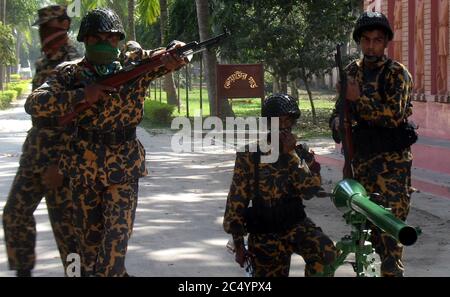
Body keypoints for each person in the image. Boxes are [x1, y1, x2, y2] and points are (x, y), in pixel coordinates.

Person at [25, 8, 187, 277]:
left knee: (113, 250)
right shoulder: (70, 74)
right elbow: (34, 103)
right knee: (89, 255)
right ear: (85, 40)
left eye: (111, 38)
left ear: (119, 40)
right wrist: (80, 96)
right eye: (98, 38)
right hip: (83, 171)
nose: (105, 43)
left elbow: (166, 56)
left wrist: (178, 52)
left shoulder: (134, 67)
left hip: (123, 170)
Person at [329, 11, 415, 277]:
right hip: (361, 163)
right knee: (364, 234)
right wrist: (336, 123)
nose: (370, 45)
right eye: (365, 40)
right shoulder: (351, 71)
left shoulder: (397, 74)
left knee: (390, 235)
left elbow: (393, 116)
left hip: (391, 168)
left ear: (386, 42)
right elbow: (338, 112)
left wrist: (358, 100)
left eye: (377, 40)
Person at [2, 5, 80, 277]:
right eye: (43, 29)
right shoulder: (44, 62)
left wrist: (60, 164)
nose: (43, 34)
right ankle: (24, 271)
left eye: (49, 28)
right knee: (14, 215)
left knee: (68, 234)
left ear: (63, 28)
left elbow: (77, 120)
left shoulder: (72, 64)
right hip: (34, 156)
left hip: (60, 163)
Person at [223, 94, 337, 277]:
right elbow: (237, 201)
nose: (284, 126)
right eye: (279, 120)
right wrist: (238, 245)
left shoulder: (300, 151)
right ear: (268, 123)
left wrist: (290, 154)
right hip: (265, 230)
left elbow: (309, 190)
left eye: (288, 120)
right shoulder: (249, 154)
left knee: (326, 252)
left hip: (295, 224)